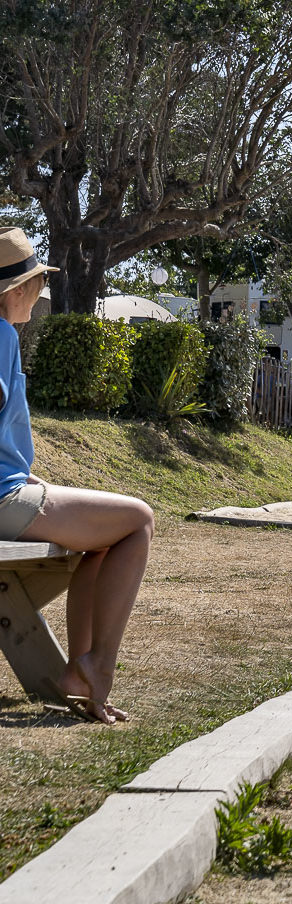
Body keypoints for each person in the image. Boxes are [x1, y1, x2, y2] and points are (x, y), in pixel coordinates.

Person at [0, 228, 154, 723]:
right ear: (15, 290)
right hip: (3, 499)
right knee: (137, 520)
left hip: (12, 488)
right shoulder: (1, 333)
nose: (40, 292)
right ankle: (98, 667)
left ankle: (81, 672)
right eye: (37, 283)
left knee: (104, 540)